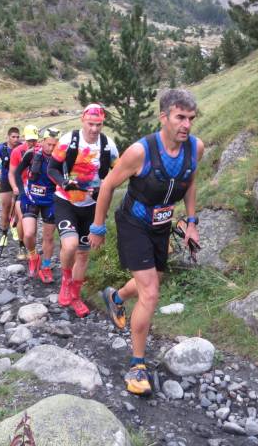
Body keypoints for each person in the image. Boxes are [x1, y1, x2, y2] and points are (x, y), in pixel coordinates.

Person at [90, 89, 203, 396]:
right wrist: (97, 227)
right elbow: (108, 186)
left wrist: (192, 222)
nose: (186, 125)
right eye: (180, 117)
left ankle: (115, 297)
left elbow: (190, 182)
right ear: (163, 117)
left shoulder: (195, 148)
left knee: (153, 281)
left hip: (161, 225)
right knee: (150, 293)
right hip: (133, 223)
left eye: (191, 119)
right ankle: (137, 366)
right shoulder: (140, 152)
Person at [47, 104, 118, 317]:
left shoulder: (108, 145)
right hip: (65, 201)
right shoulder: (68, 141)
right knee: (69, 245)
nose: (94, 129)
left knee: (83, 254)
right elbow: (52, 168)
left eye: (99, 124)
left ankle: (76, 297)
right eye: (91, 124)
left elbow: (119, 173)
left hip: (92, 206)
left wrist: (104, 188)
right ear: (82, 120)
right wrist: (63, 182)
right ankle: (65, 282)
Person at [14, 128, 60, 282]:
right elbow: (17, 173)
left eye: (54, 145)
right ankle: (34, 257)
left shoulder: (61, 157)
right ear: (42, 141)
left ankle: (46, 267)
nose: (51, 148)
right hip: (31, 198)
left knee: (48, 237)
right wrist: (22, 192)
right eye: (48, 144)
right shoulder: (32, 154)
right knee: (28, 234)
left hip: (50, 200)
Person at [8, 124, 40, 259]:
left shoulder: (41, 149)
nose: (32, 143)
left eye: (34, 140)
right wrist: (15, 187)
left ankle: (32, 247)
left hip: (38, 188)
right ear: (25, 138)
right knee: (22, 217)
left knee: (34, 220)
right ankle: (21, 246)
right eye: (29, 140)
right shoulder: (17, 151)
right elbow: (12, 173)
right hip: (23, 187)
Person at [0, 127, 20, 239]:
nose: (16, 139)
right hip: (5, 180)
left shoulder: (21, 147)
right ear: (8, 137)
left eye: (17, 137)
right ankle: (4, 231)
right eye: (13, 137)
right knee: (6, 206)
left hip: (19, 180)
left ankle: (14, 228)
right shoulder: (1, 148)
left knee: (17, 207)